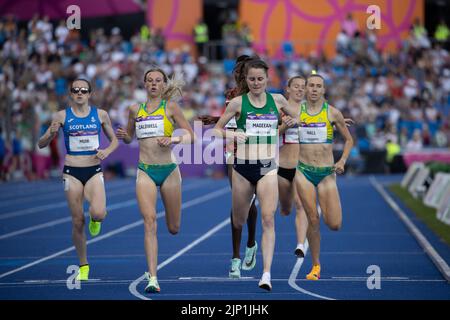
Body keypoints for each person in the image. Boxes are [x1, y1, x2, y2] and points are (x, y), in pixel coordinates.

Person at [213, 59, 298, 291]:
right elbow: (215, 129)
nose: (256, 83)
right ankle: (247, 245)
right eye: (252, 79)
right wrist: (231, 136)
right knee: (238, 220)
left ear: (267, 79)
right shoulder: (237, 103)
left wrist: (292, 120)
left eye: (260, 78)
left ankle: (266, 273)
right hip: (242, 167)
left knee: (268, 219)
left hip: (268, 166)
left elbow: (300, 116)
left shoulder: (278, 100)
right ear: (246, 80)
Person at [116, 67, 194, 293]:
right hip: (145, 170)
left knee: (173, 227)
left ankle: (154, 272)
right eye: (149, 80)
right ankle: (153, 277)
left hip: (169, 170)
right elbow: (130, 136)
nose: (153, 84)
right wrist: (125, 136)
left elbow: (191, 135)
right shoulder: (134, 109)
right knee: (149, 222)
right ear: (144, 84)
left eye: (158, 81)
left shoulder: (171, 107)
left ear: (163, 85)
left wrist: (173, 140)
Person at [38, 79, 118, 281]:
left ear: (90, 93)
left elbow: (115, 140)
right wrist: (51, 134)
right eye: (76, 90)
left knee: (98, 213)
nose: (80, 93)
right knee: (77, 221)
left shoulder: (100, 115)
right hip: (71, 172)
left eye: (84, 90)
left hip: (93, 169)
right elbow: (41, 143)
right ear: (71, 94)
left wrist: (106, 151)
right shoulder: (61, 116)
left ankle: (96, 218)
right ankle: (83, 265)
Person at [199, 55, 259, 279]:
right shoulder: (230, 96)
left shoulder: (258, 96)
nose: (236, 74)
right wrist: (214, 119)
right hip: (232, 152)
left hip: (256, 152)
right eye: (234, 70)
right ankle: (235, 258)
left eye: (240, 71)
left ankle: (251, 243)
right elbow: (232, 119)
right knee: (238, 202)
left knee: (249, 203)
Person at [294, 73, 353, 280]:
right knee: (312, 218)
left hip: (327, 173)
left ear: (324, 90)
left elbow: (349, 140)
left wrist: (342, 161)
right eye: (311, 85)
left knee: (334, 224)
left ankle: (316, 261)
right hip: (303, 172)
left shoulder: (333, 113)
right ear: (306, 88)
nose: (314, 89)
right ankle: (316, 266)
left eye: (319, 86)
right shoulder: (296, 111)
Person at [277, 76, 309, 257]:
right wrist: (284, 125)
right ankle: (285, 206)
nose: (299, 90)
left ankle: (300, 244)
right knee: (286, 208)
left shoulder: (309, 110)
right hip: (282, 166)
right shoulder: (280, 109)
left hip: (301, 166)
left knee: (301, 205)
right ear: (287, 89)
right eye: (295, 86)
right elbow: (271, 134)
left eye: (302, 87)